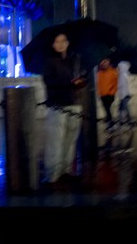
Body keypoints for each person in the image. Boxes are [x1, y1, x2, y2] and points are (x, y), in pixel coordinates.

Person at [42, 33, 86, 187]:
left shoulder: (75, 59)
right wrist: (69, 82)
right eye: (57, 41)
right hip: (57, 104)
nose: (60, 44)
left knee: (71, 139)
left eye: (63, 40)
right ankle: (53, 174)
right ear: (53, 44)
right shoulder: (49, 61)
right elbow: (49, 81)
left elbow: (81, 76)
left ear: (68, 43)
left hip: (74, 102)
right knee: (56, 140)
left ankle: (67, 170)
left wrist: (81, 81)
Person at [97, 57, 118, 127]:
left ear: (109, 62)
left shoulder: (113, 71)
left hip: (110, 94)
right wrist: (99, 92)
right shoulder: (99, 73)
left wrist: (112, 92)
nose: (104, 63)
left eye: (105, 62)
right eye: (103, 62)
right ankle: (110, 121)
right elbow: (99, 84)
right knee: (106, 109)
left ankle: (111, 123)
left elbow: (115, 83)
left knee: (107, 109)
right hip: (102, 94)